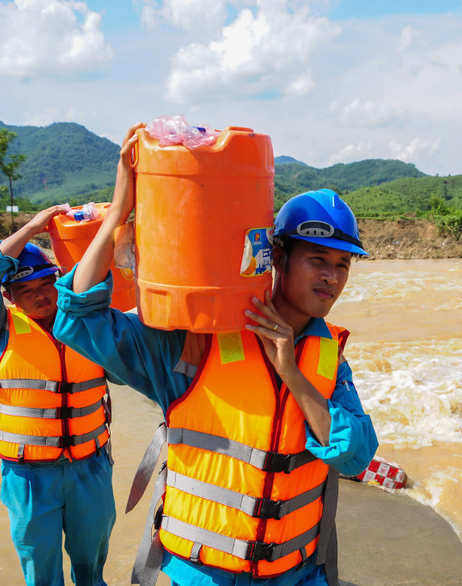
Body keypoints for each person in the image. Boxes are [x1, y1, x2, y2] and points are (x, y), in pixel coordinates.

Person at [52, 123, 379, 586]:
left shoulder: (329, 357)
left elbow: (356, 456)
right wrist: (120, 211)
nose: (332, 277)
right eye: (317, 261)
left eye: (342, 265)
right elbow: (80, 318)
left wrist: (292, 373)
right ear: (276, 257)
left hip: (297, 574)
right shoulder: (198, 340)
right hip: (203, 573)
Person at [0, 209, 116, 586]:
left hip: (91, 466)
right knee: (41, 571)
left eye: (46, 284)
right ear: (9, 297)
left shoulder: (86, 323)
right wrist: (33, 228)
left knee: (92, 567)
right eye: (26, 291)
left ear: (58, 280)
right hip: (28, 474)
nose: (41, 296)